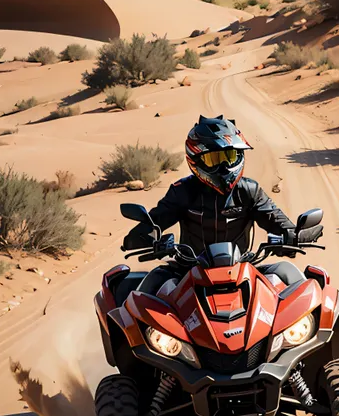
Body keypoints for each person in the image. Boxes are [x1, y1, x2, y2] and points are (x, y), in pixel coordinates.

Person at [123, 115, 312, 295]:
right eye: (213, 159)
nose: (223, 167)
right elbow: (154, 221)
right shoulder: (182, 191)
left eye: (228, 157)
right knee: (146, 291)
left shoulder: (249, 190)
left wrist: (296, 234)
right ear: (195, 159)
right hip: (189, 269)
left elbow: (276, 218)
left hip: (242, 268)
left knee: (291, 276)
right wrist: (142, 238)